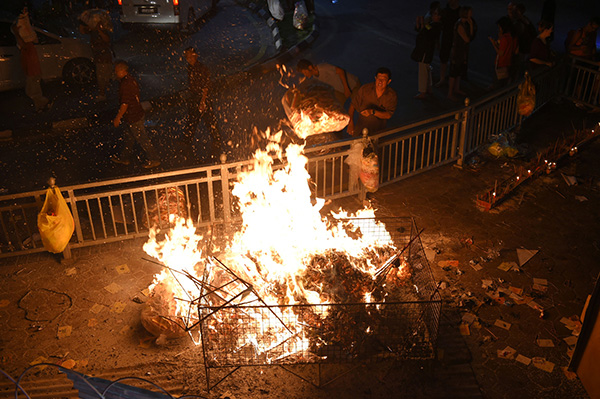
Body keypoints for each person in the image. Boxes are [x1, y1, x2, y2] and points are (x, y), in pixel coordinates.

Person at [111, 61, 161, 169]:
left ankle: (154, 159)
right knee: (129, 138)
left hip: (133, 116)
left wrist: (118, 117)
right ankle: (124, 158)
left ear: (122, 71)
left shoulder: (125, 84)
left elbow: (125, 104)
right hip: (134, 115)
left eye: (116, 71)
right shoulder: (130, 80)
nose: (115, 73)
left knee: (142, 139)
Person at [183, 47, 222, 158]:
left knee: (209, 118)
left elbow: (206, 86)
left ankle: (217, 139)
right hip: (195, 97)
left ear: (195, 56)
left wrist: (203, 101)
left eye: (190, 56)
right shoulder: (190, 68)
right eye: (187, 57)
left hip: (203, 98)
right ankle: (187, 140)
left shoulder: (202, 69)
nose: (189, 59)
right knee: (193, 119)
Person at [11, 7, 50, 113]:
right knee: (34, 91)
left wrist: (17, 33)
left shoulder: (27, 45)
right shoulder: (29, 44)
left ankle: (45, 103)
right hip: (32, 71)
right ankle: (41, 107)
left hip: (32, 72)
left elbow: (23, 44)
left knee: (32, 92)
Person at [347, 67, 397, 136]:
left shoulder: (391, 95)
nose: (380, 82)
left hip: (378, 133)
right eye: (378, 79)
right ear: (375, 78)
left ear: (389, 81)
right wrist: (350, 122)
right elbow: (353, 105)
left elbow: (388, 115)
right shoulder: (365, 89)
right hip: (360, 131)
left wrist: (372, 112)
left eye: (384, 79)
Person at [79, 12, 113, 102]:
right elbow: (82, 31)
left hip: (105, 57)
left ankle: (104, 93)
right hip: (98, 56)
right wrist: (83, 23)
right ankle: (104, 92)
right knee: (102, 76)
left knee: (104, 76)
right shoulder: (93, 30)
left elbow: (107, 40)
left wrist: (99, 30)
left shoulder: (103, 30)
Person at [295, 59, 361, 106]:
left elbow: (341, 71)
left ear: (310, 67)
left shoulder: (323, 68)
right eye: (304, 73)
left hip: (351, 85)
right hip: (341, 90)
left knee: (361, 106)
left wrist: (346, 88)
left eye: (305, 72)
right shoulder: (315, 77)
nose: (305, 75)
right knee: (336, 107)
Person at [412, 3, 442, 99]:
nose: (433, 16)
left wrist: (424, 25)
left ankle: (422, 91)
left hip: (425, 50)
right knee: (427, 69)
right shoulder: (433, 24)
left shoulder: (435, 26)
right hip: (426, 50)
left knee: (423, 70)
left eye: (436, 14)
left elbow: (429, 31)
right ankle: (429, 88)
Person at [447, 6, 476, 101]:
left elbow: (471, 36)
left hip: (463, 51)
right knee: (454, 71)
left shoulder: (466, 23)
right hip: (457, 51)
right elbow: (467, 39)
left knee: (459, 70)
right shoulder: (459, 25)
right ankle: (450, 92)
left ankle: (457, 88)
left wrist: (471, 25)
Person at [488, 16, 518, 88]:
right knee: (504, 84)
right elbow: (515, 50)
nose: (499, 29)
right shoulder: (513, 37)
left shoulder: (505, 38)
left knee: (497, 84)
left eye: (499, 27)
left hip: (501, 64)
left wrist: (493, 44)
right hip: (508, 63)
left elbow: (501, 53)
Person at [436, 0, 460, 87]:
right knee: (444, 57)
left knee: (455, 59)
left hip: (456, 38)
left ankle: (453, 80)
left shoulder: (459, 12)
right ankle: (442, 78)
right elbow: (440, 25)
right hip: (446, 37)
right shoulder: (445, 11)